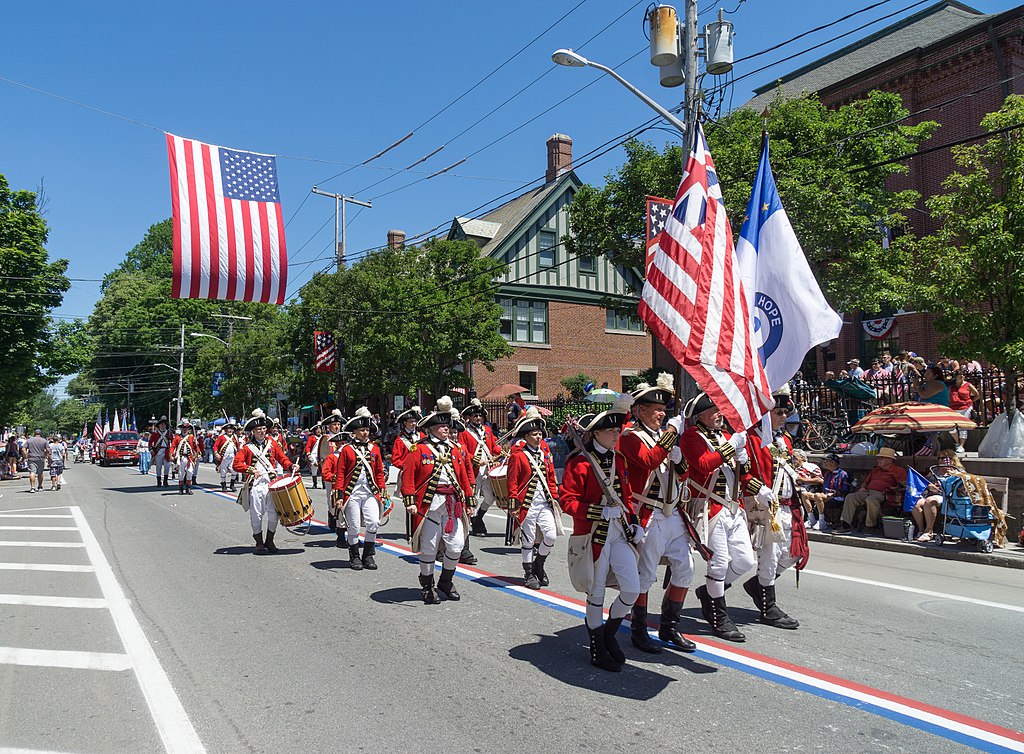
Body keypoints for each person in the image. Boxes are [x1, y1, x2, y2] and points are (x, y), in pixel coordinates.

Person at [560, 395, 643, 672]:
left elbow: (627, 496)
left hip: (619, 532)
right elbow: (567, 501)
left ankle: (608, 634)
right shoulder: (579, 463)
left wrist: (634, 521)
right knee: (595, 594)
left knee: (632, 588)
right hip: (594, 536)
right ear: (596, 433)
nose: (616, 435)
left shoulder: (619, 459)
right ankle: (597, 647)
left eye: (618, 431)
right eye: (611, 431)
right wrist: (596, 511)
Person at [616, 373, 694, 654]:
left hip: (672, 511)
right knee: (646, 574)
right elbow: (648, 461)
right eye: (655, 409)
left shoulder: (664, 437)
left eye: (663, 409)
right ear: (639, 411)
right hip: (648, 512)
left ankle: (670, 627)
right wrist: (671, 438)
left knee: (685, 568)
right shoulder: (629, 436)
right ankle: (639, 630)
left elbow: (685, 473)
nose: (661, 414)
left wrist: (679, 458)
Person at [682, 393, 755, 643]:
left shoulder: (725, 437)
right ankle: (718, 615)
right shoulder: (692, 437)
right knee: (719, 563)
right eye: (713, 410)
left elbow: (740, 473)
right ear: (700, 415)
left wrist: (744, 461)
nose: (719, 414)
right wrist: (731, 447)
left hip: (733, 508)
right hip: (709, 507)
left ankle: (709, 592)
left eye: (719, 410)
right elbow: (703, 464)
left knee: (745, 561)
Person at [742, 386, 809, 630]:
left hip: (787, 505)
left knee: (793, 553)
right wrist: (759, 489)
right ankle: (768, 607)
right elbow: (744, 473)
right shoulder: (752, 438)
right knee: (769, 557)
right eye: (778, 412)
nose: (783, 416)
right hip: (765, 506)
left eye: (784, 412)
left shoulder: (785, 440)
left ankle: (758, 586)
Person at [402, 396, 475, 604]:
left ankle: (445, 580)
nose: (446, 429)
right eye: (442, 426)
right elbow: (408, 476)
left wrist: (469, 501)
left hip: (453, 503)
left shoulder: (455, 449)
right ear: (432, 428)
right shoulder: (419, 449)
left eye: (447, 426)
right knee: (429, 547)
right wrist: (410, 501)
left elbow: (463, 478)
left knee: (456, 546)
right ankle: (427, 586)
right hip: (429, 505)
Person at [506, 407, 561, 591]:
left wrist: (554, 499)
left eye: (540, 434)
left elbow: (551, 478)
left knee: (551, 535)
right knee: (528, 540)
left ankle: (539, 564)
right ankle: (528, 572)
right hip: (526, 504)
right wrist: (513, 504)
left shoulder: (546, 455)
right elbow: (512, 481)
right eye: (534, 434)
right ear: (526, 436)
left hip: (544, 502)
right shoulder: (518, 455)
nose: (538, 437)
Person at [328, 408, 386, 570]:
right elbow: (340, 473)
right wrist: (339, 495)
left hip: (370, 493)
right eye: (362, 430)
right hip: (351, 493)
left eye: (367, 430)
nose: (365, 433)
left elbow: (379, 471)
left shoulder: (374, 449)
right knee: (353, 526)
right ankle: (354, 557)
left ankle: (368, 556)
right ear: (354, 432)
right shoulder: (347, 449)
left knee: (373, 522)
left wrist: (382, 488)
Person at [232, 409, 294, 554]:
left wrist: (291, 466)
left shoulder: (272, 443)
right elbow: (236, 464)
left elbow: (282, 458)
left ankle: (269, 541)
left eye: (264, 428)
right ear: (253, 431)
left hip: (271, 484)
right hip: (255, 485)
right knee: (257, 515)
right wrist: (250, 470)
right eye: (258, 429)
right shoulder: (247, 448)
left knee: (274, 514)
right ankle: (259, 543)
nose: (262, 431)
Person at [835, 447, 907, 534]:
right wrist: (862, 487)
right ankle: (845, 525)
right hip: (867, 491)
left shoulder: (898, 471)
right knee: (851, 497)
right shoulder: (876, 469)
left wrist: (893, 489)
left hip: (883, 494)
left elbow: (903, 485)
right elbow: (866, 481)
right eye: (878, 458)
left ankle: (870, 526)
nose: (878, 460)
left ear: (889, 460)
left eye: (881, 458)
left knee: (871, 500)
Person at [462, 398, 504, 536]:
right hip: (473, 470)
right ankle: (475, 522)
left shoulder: (487, 430)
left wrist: (502, 451)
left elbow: (493, 445)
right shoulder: (464, 432)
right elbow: (462, 451)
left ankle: (478, 518)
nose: (478, 418)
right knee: (473, 497)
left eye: (480, 415)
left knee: (490, 498)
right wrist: (474, 459)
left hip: (487, 468)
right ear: (470, 417)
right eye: (475, 415)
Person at [910, 451, 961, 541]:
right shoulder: (934, 471)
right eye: (940, 458)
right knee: (915, 503)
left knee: (929, 501)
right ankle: (921, 530)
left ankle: (928, 532)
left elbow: (961, 486)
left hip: (946, 496)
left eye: (945, 458)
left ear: (952, 460)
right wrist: (929, 486)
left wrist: (953, 475)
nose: (942, 461)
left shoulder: (958, 471)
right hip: (930, 494)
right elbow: (924, 482)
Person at [802, 453, 849, 530]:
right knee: (805, 495)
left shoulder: (842, 474)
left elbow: (844, 490)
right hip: (824, 495)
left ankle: (822, 521)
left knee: (818, 496)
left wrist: (832, 494)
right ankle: (811, 519)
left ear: (832, 463)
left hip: (837, 497)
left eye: (826, 461)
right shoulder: (827, 474)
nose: (824, 463)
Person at [948, 370, 980, 456]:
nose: (961, 377)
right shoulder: (952, 386)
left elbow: (977, 394)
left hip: (965, 408)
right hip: (954, 408)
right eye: (959, 376)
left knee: (963, 426)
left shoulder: (968, 385)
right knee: (951, 427)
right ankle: (957, 442)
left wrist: (970, 402)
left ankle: (962, 446)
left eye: (961, 376)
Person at [169, 421, 201, 495]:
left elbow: (196, 446)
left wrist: (198, 453)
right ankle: (180, 489)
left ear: (188, 429)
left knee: (190, 472)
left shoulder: (191, 437)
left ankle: (188, 488)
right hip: (181, 457)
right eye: (183, 428)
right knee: (181, 473)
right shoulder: (177, 437)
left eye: (186, 428)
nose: (185, 430)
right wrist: (171, 454)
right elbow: (173, 446)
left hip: (190, 457)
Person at [213, 423, 240, 492]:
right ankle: (223, 485)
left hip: (232, 457)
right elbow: (216, 446)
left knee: (234, 470)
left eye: (231, 429)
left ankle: (232, 484)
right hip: (224, 457)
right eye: (228, 429)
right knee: (223, 471)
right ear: (225, 430)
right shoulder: (221, 437)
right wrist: (216, 453)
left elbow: (238, 447)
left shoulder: (235, 437)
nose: (230, 430)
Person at [149, 417, 172, 487]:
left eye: (164, 424)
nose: (163, 425)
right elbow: (150, 442)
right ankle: (159, 482)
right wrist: (151, 450)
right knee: (158, 467)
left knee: (167, 466)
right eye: (161, 424)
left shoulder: (169, 433)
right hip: (158, 451)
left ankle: (165, 481)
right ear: (159, 425)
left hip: (166, 451)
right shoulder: (155, 433)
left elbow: (173, 441)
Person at [23, 429, 48, 493]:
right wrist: (46, 455)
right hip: (41, 458)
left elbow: (23, 449)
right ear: (40, 433)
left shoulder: (29, 440)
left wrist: (26, 456)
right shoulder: (44, 441)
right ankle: (40, 486)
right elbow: (48, 449)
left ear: (34, 433)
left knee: (32, 472)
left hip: (31, 458)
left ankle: (32, 487)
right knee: (40, 472)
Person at [304, 422, 325, 489]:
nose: (318, 431)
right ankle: (315, 483)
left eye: (320, 429)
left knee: (323, 470)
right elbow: (308, 447)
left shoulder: (324, 437)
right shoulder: (312, 438)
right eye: (317, 429)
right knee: (314, 469)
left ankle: (324, 484)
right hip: (314, 455)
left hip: (322, 454)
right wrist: (308, 454)